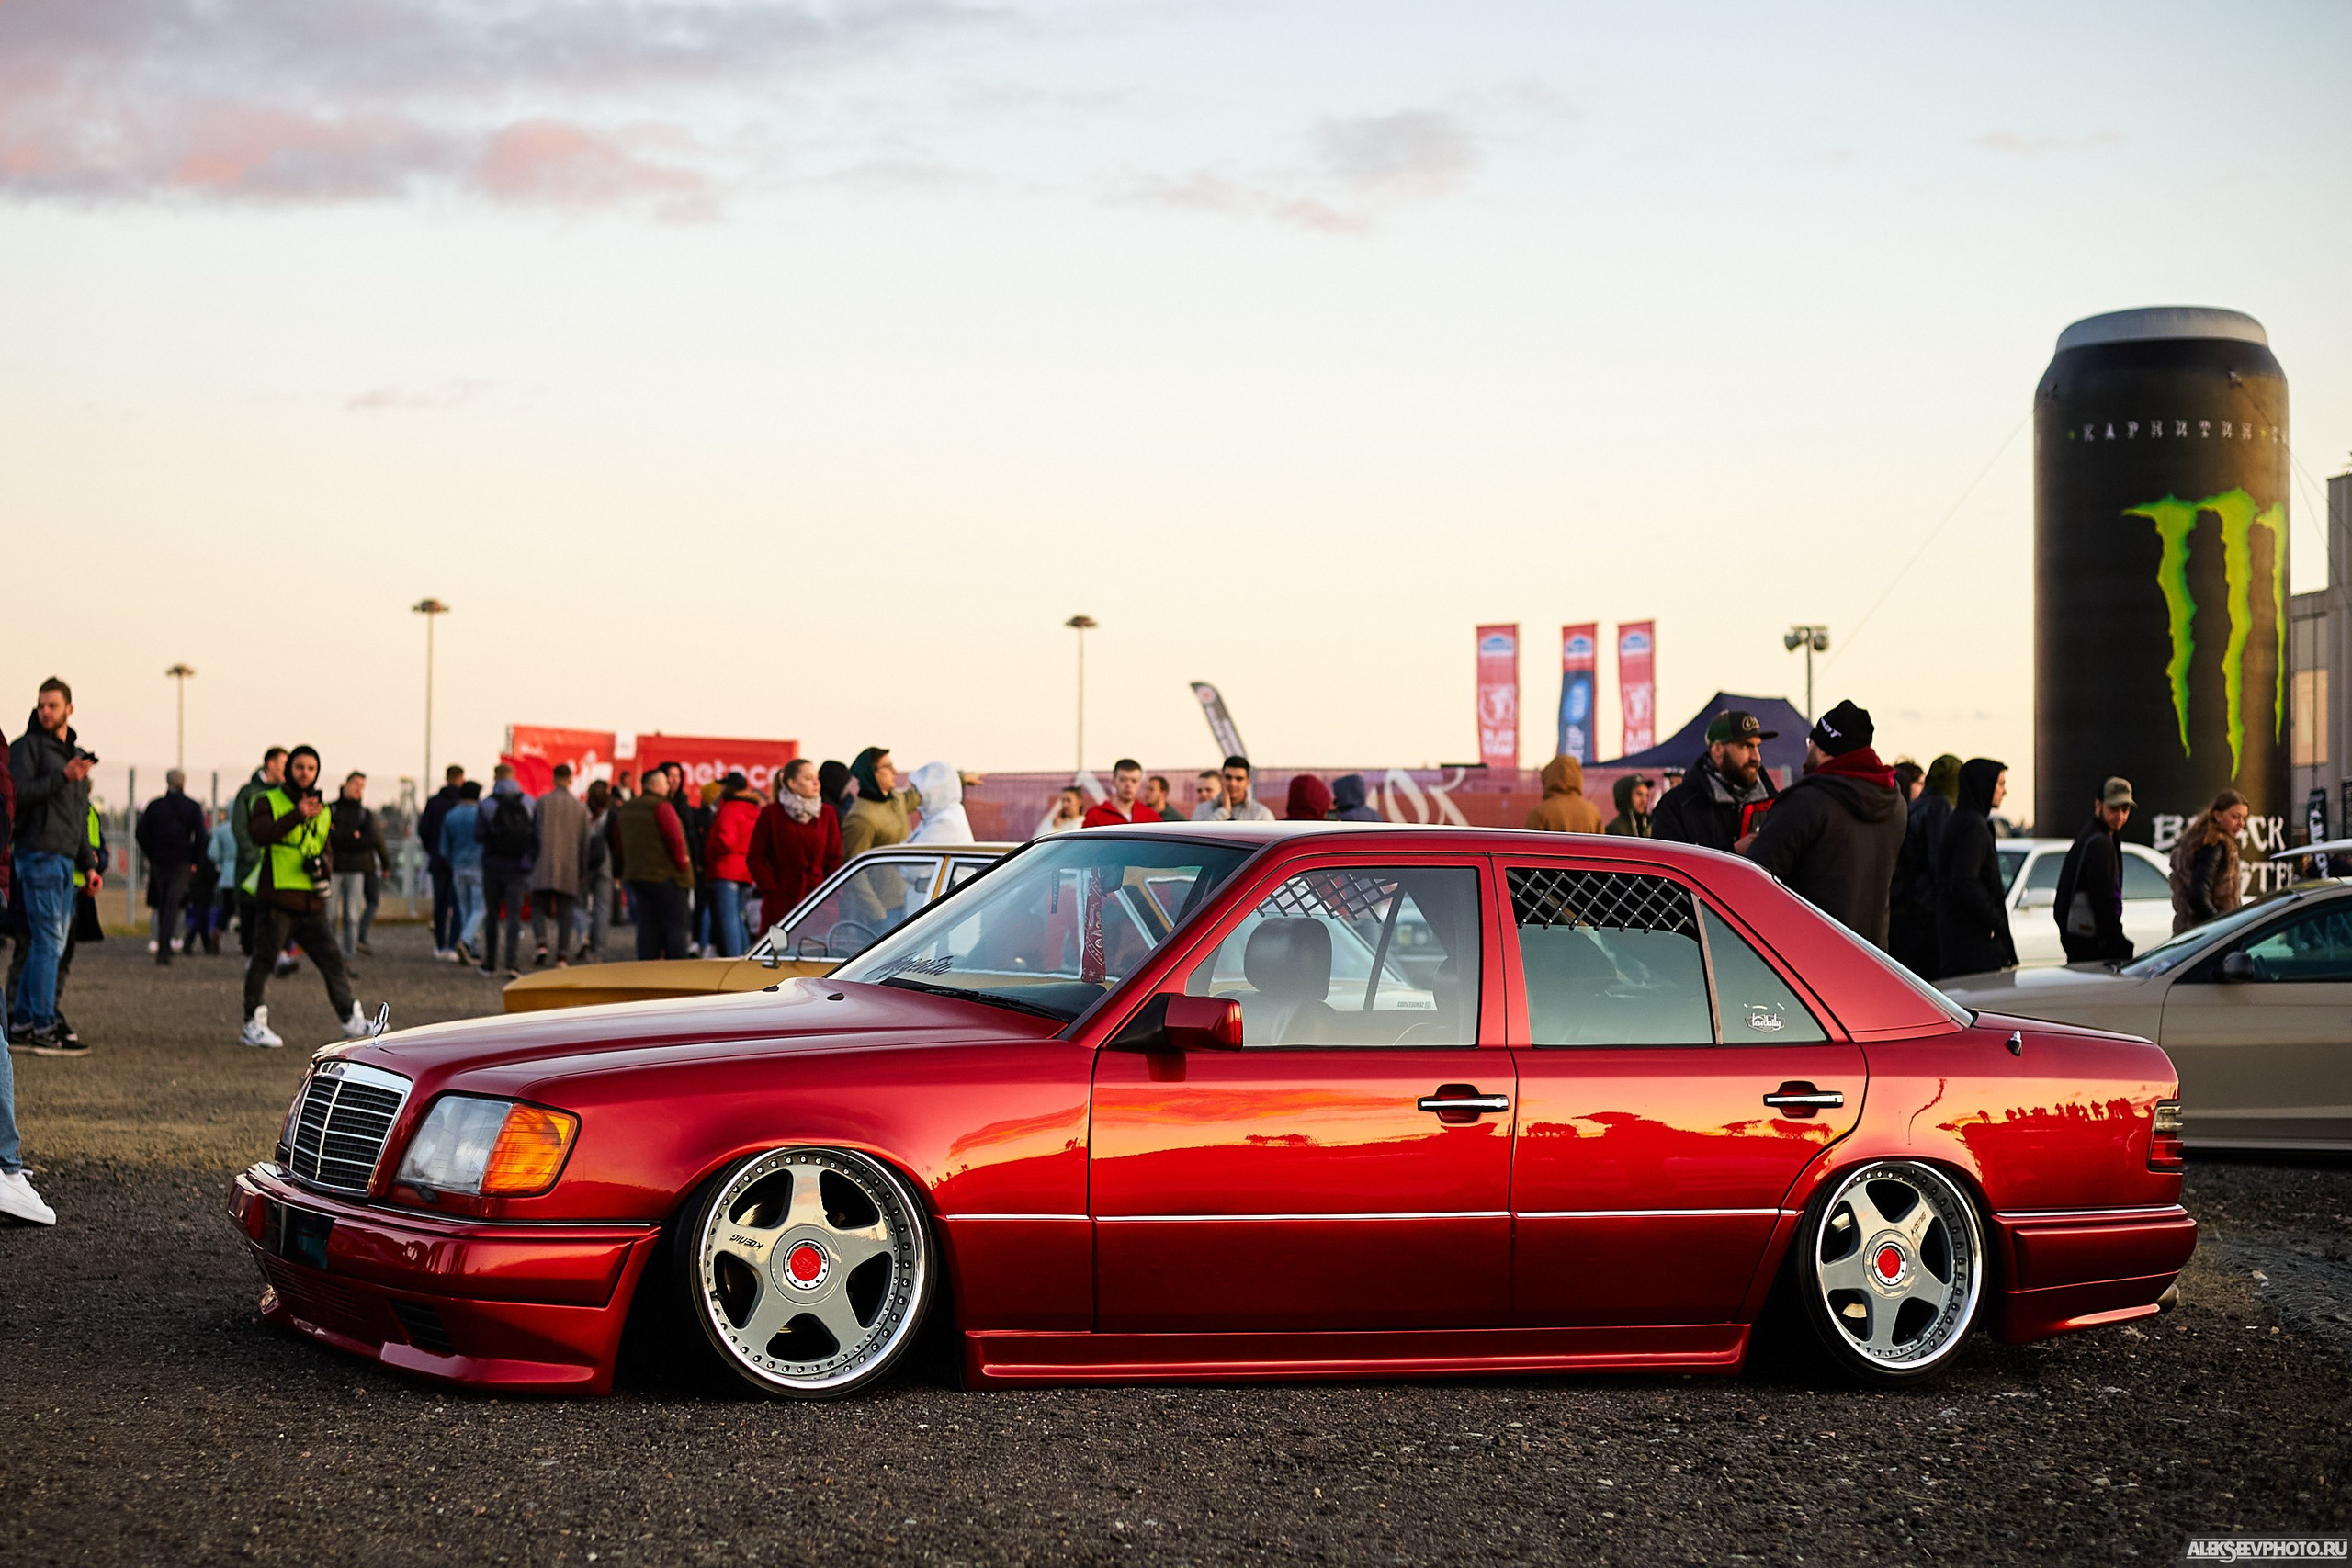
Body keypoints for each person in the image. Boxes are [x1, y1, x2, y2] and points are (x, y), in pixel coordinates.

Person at [1742, 700, 1908, 948]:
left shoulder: (1805, 802)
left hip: (1808, 960)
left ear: (1821, 748)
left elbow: (1752, 882)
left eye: (1810, 743)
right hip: (1874, 960)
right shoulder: (1895, 803)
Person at [239, 745, 370, 1048]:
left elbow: (325, 847)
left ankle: (350, 1018)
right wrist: (296, 815)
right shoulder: (267, 800)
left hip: (311, 900)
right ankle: (252, 1024)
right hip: (277, 899)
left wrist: (324, 866)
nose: (305, 774)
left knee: (332, 960)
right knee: (264, 960)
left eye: (311, 768)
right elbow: (259, 834)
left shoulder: (323, 808)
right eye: (299, 767)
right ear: (289, 770)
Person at [7, 679, 96, 1055]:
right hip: (37, 854)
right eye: (42, 705)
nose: (46, 711)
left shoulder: (72, 756)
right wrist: (62, 777)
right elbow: (17, 795)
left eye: (53, 706)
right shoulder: (26, 748)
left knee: (52, 944)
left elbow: (78, 816)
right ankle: (44, 1026)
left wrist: (89, 864)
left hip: (63, 859)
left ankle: (24, 1021)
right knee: (47, 942)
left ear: (69, 709)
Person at [1934, 758, 2018, 978]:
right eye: (1999, 784)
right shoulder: (1972, 825)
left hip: (1962, 941)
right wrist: (1995, 918)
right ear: (1985, 784)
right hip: (1973, 946)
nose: (2004, 791)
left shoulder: (1963, 820)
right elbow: (1965, 882)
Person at [1651, 710, 1779, 853]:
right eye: (1746, 746)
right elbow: (1669, 865)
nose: (1756, 757)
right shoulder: (1677, 806)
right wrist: (1733, 852)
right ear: (1718, 749)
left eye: (1757, 746)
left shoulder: (1773, 804)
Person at [1889, 754, 1962, 979]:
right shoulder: (1940, 807)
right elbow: (1939, 863)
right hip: (1924, 911)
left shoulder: (1915, 806)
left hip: (1905, 908)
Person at [749, 758, 842, 928]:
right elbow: (755, 858)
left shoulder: (827, 813)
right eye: (808, 779)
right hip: (782, 904)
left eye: (817, 778)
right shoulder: (772, 814)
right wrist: (771, 890)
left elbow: (834, 858)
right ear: (792, 783)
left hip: (819, 903)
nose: (816, 783)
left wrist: (832, 894)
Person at [2055, 776, 2137, 964]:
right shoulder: (2099, 842)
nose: (2120, 816)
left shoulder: (2096, 837)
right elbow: (2104, 901)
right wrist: (2117, 942)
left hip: (2084, 943)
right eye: (2113, 808)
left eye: (2125, 809)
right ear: (2098, 805)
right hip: (2093, 946)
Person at [616, 765, 694, 959]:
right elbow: (675, 839)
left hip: (637, 875)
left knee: (647, 926)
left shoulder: (627, 808)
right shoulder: (662, 807)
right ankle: (677, 968)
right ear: (658, 786)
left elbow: (618, 841)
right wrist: (682, 866)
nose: (669, 786)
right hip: (665, 876)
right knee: (674, 926)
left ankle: (647, 967)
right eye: (666, 782)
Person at [136, 768, 207, 964]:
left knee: (163, 902)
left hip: (160, 861)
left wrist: (151, 853)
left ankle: (162, 945)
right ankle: (166, 947)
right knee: (173, 904)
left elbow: (141, 833)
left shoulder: (156, 806)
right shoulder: (192, 807)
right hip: (182, 862)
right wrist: (195, 861)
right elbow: (201, 837)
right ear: (183, 783)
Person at [475, 763, 537, 978]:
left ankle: (489, 963)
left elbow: (479, 835)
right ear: (513, 777)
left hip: (492, 866)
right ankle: (512, 962)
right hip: (518, 868)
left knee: (491, 915)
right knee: (513, 916)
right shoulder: (529, 802)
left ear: (496, 778)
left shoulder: (487, 804)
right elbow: (535, 836)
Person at [530, 764, 592, 967]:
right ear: (571, 779)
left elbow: (533, 835)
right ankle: (562, 955)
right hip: (569, 867)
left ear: (554, 778)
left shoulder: (542, 803)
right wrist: (583, 871)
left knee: (538, 906)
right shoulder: (580, 808)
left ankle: (541, 943)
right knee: (566, 912)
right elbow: (585, 843)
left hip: (542, 864)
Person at [326, 772, 391, 959]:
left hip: (356, 870)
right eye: (355, 784)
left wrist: (340, 835)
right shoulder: (331, 810)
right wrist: (352, 836)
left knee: (351, 916)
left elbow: (369, 840)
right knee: (329, 914)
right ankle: (330, 952)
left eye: (362, 786)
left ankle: (348, 953)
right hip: (334, 869)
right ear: (345, 784)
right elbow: (326, 838)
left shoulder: (365, 814)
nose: (358, 789)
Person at [230, 747, 287, 960]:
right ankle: (250, 954)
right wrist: (252, 856)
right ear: (270, 764)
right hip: (252, 866)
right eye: (283, 763)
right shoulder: (248, 792)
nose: (286, 769)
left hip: (279, 864)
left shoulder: (285, 792)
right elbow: (239, 827)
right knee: (250, 911)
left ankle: (277, 954)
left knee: (278, 912)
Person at [2170, 788, 2250, 935]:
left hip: (2191, 932)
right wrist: (2220, 924)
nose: (2241, 823)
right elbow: (2198, 895)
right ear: (2217, 815)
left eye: (2244, 818)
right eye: (2235, 817)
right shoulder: (2214, 845)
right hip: (2207, 937)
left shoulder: (2198, 839)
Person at [701, 772, 763, 958]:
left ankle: (736, 960)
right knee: (738, 919)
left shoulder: (730, 808)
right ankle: (745, 956)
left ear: (731, 787)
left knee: (729, 920)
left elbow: (725, 840)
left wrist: (709, 853)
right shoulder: (755, 808)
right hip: (745, 870)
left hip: (726, 868)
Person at [418, 764, 467, 960]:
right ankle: (453, 945)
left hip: (438, 860)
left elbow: (424, 829)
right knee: (457, 905)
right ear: (461, 778)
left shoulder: (434, 802)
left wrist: (433, 850)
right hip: (459, 861)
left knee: (440, 904)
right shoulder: (462, 804)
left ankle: (439, 945)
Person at [840, 748, 923, 859]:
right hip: (881, 876)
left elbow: (920, 796)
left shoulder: (896, 798)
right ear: (871, 773)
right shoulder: (861, 818)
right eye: (888, 767)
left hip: (904, 875)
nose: (895, 772)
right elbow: (855, 867)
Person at [440, 781, 485, 963]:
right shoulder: (481, 815)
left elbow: (444, 848)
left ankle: (471, 946)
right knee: (481, 908)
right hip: (479, 866)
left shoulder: (451, 815)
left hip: (458, 866)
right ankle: (466, 940)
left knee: (464, 908)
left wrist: (452, 861)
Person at [579, 779, 616, 962]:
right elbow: (616, 840)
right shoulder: (611, 812)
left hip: (584, 857)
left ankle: (583, 937)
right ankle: (598, 949)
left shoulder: (582, 809)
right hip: (605, 859)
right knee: (602, 906)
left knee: (581, 903)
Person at [1525, 755, 1604, 834]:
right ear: (1578, 777)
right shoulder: (1593, 813)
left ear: (1548, 777)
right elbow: (1601, 844)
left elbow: (1530, 845)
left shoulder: (1539, 813)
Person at [1085, 760, 1163, 827]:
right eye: (1123, 779)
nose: (1128, 785)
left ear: (1140, 784)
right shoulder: (1095, 816)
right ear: (1113, 782)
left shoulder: (1151, 818)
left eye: (1134, 781)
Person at [1206, 756, 1276, 823]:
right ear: (1221, 779)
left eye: (1239, 779)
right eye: (1228, 777)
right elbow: (1199, 834)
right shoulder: (1203, 810)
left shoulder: (1261, 815)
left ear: (1248, 782)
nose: (1233, 783)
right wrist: (1223, 812)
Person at [1604, 774, 1655, 838]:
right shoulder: (1614, 829)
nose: (1644, 800)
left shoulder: (1652, 824)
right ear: (1626, 797)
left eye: (1647, 795)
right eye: (1639, 794)